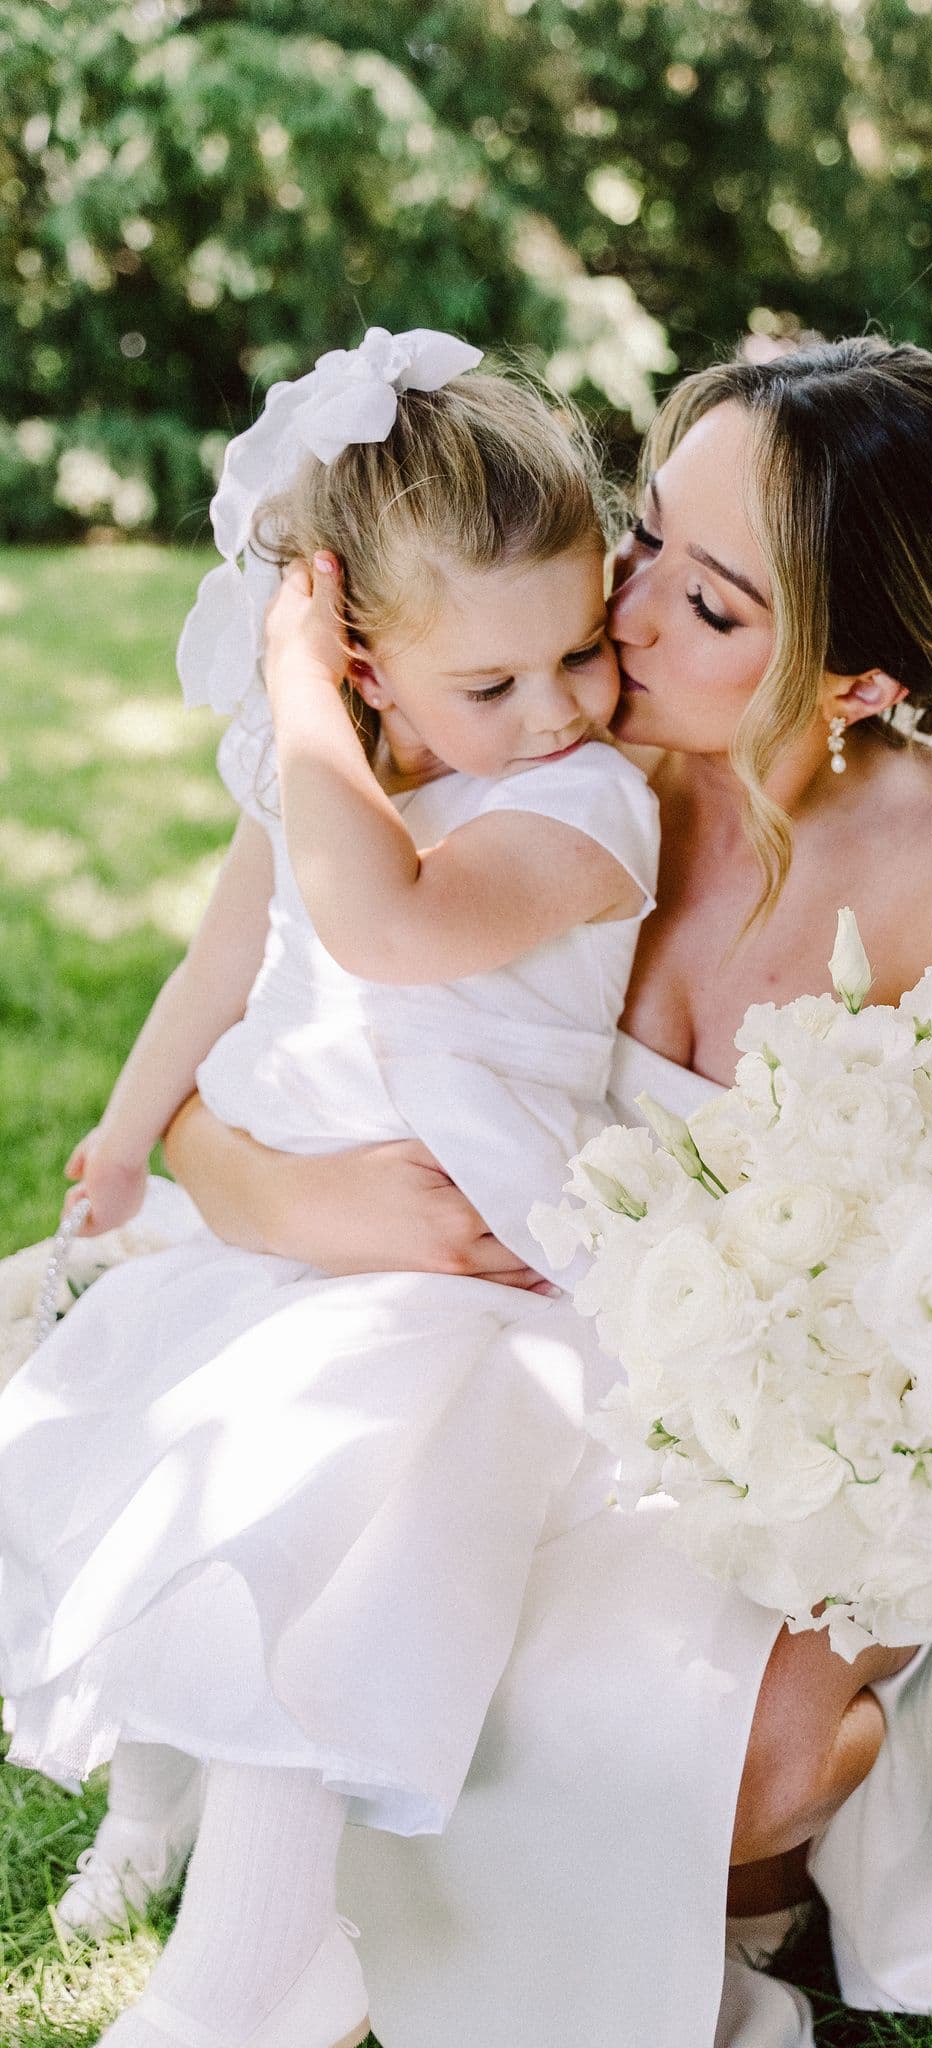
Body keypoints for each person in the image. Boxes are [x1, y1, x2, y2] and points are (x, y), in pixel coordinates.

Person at [166, 337, 932, 2048]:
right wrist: (279, 1197)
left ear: (860, 681)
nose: (628, 619)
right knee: (343, 1605)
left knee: (730, 1767)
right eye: (647, 542)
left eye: (716, 604)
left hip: (772, 1462)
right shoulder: (530, 746)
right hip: (493, 1369)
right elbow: (235, 1051)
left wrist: (838, 1643)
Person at [0, 331, 663, 2048]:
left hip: (458, 1252)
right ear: (376, 655)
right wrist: (133, 1131)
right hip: (284, 1198)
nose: (561, 708)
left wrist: (302, 698)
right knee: (176, 1483)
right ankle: (155, 1809)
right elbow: (221, 968)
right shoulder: (325, 780)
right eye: (494, 686)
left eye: (581, 651)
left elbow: (383, 926)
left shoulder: (591, 805)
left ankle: (256, 1956)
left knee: (304, 1511)